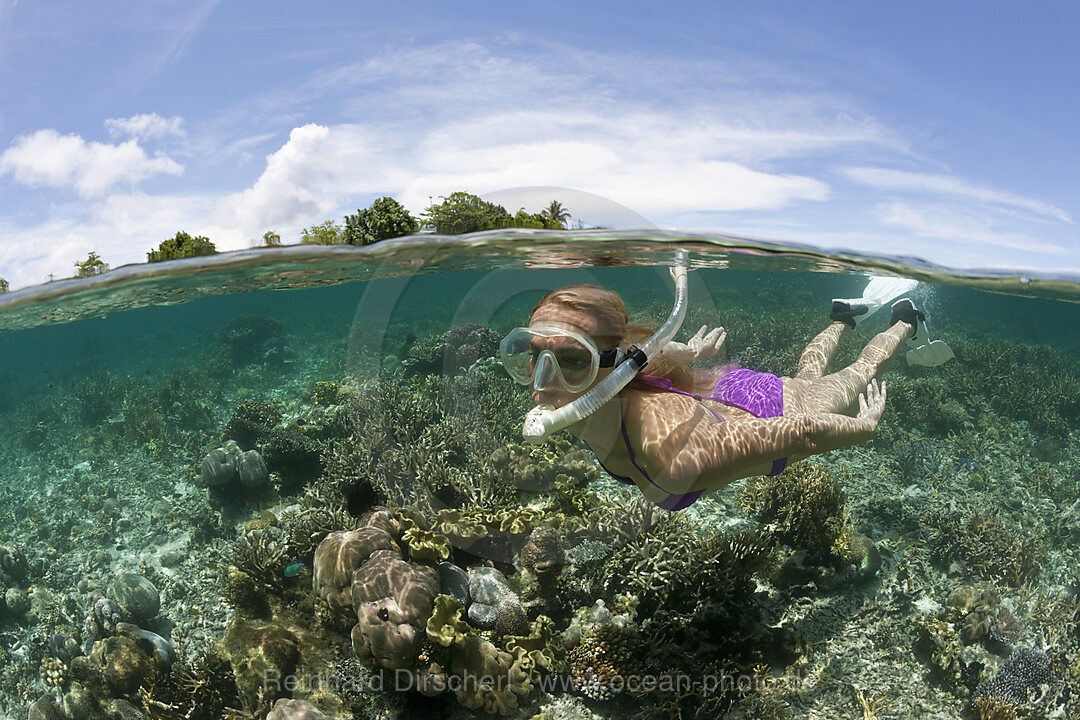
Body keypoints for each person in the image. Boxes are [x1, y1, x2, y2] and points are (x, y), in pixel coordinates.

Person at [500, 284, 926, 510]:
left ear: (608, 364)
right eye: (533, 354)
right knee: (806, 376)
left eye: (573, 360)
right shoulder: (614, 375)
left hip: (772, 413)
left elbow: (807, 432)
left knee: (858, 374)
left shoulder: (668, 454)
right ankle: (842, 319)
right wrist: (689, 352)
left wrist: (862, 428)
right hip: (728, 395)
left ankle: (905, 318)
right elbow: (645, 354)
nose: (542, 382)